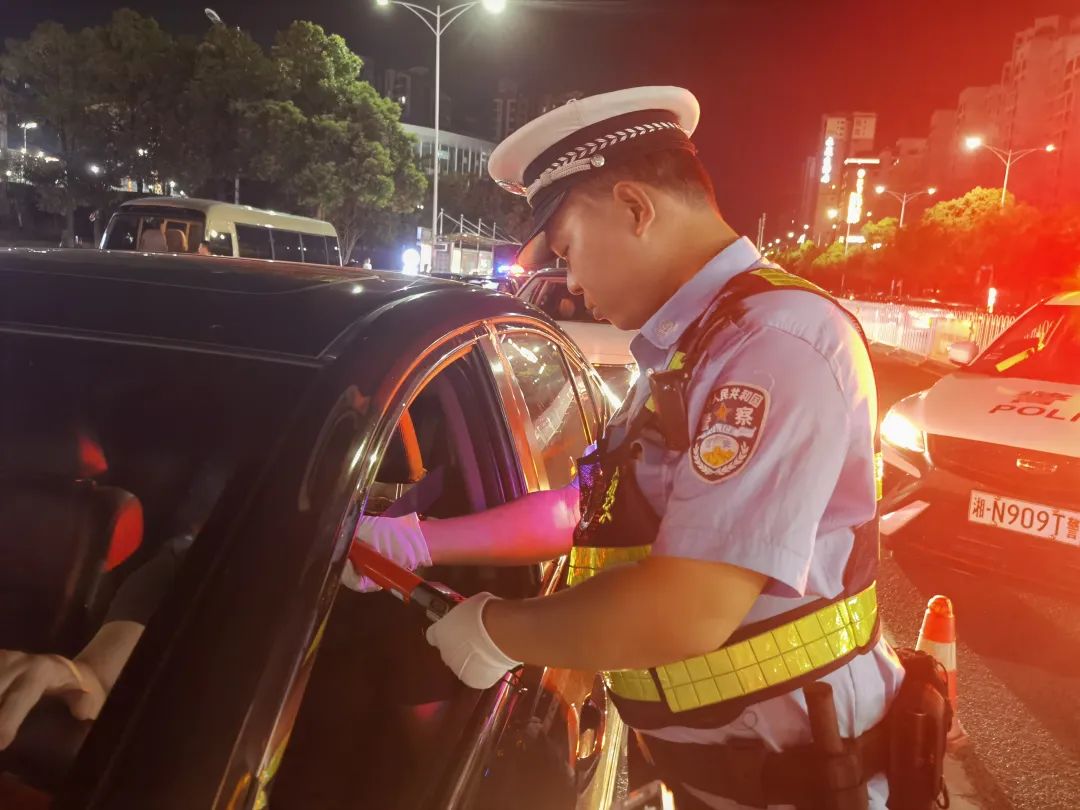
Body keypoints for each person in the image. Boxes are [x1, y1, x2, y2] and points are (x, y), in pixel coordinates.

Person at [343, 87, 909, 809]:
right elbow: (590, 509)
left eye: (569, 250)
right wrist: (418, 541)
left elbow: (689, 608)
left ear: (636, 209)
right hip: (730, 777)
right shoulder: (691, 351)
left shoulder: (773, 344)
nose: (572, 282)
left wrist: (498, 631)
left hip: (807, 785)